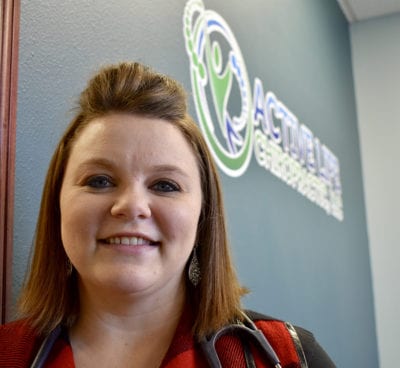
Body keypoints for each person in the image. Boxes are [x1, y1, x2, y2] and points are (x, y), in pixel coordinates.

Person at [0, 61, 335, 367]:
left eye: (165, 185)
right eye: (99, 180)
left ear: (204, 216)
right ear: (57, 205)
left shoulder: (287, 356)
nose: (131, 205)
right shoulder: (8, 353)